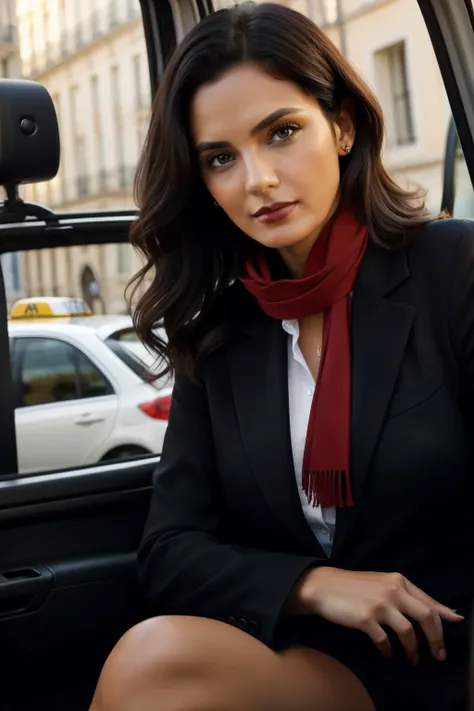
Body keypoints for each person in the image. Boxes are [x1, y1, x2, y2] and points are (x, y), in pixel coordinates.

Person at [88, 3, 474, 710]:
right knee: (147, 662)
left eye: (283, 132)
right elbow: (170, 548)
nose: (257, 179)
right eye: (221, 157)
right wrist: (313, 585)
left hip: (456, 653)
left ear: (343, 125)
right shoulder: (222, 332)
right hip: (322, 661)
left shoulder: (454, 269)